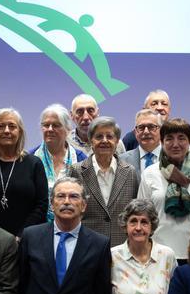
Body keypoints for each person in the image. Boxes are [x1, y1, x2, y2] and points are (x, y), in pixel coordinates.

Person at [138, 118, 190, 263]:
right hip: (158, 256)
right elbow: (142, 217)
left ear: (189, 142)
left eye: (181, 138)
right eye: (169, 139)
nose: (175, 144)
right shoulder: (150, 173)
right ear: (162, 142)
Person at [0, 108, 48, 237]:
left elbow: (41, 205)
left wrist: (21, 235)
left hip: (27, 238)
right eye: (1, 126)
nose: (7, 131)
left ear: (20, 132)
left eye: (12, 126)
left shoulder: (34, 163)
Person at [69, 116, 139, 247]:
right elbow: (72, 211)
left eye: (110, 136)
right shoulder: (76, 171)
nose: (104, 141)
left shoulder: (130, 172)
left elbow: (134, 211)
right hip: (87, 246)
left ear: (117, 141)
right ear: (90, 141)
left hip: (122, 247)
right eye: (99, 136)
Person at [32, 103, 87, 221]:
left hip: (73, 225)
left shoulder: (81, 158)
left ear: (67, 129)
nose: (50, 129)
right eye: (46, 125)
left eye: (56, 125)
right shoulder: (30, 158)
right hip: (38, 228)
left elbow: (86, 196)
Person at [120, 109, 163, 177]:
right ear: (135, 132)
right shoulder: (121, 160)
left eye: (151, 127)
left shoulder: (173, 158)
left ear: (161, 130)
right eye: (141, 127)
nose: (146, 132)